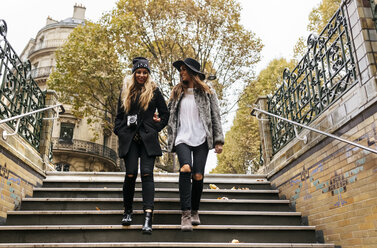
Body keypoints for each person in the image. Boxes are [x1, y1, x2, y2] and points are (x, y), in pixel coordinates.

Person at [167, 57, 224, 231]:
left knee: (198, 175)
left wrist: (218, 140)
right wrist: (157, 121)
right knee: (186, 168)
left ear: (192, 72)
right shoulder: (176, 92)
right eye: (180, 69)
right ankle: (185, 214)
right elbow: (168, 114)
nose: (181, 72)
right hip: (182, 137)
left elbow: (215, 116)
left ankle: (194, 211)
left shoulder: (207, 92)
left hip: (201, 138)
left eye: (184, 69)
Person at [114, 57, 169, 234]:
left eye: (145, 72)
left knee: (147, 174)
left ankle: (147, 217)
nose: (142, 75)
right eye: (139, 72)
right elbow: (119, 117)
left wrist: (156, 128)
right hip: (129, 139)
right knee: (130, 174)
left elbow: (165, 113)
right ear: (134, 73)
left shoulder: (154, 91)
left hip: (147, 138)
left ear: (148, 74)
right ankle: (128, 211)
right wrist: (120, 131)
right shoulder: (126, 91)